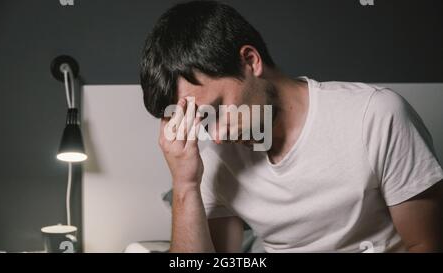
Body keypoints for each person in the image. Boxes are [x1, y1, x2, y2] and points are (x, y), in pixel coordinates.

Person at [139, 0, 443, 252]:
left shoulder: (375, 115)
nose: (216, 136)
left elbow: (424, 244)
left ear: (250, 60)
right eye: (202, 123)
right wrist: (185, 184)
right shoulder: (214, 159)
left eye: (217, 111)